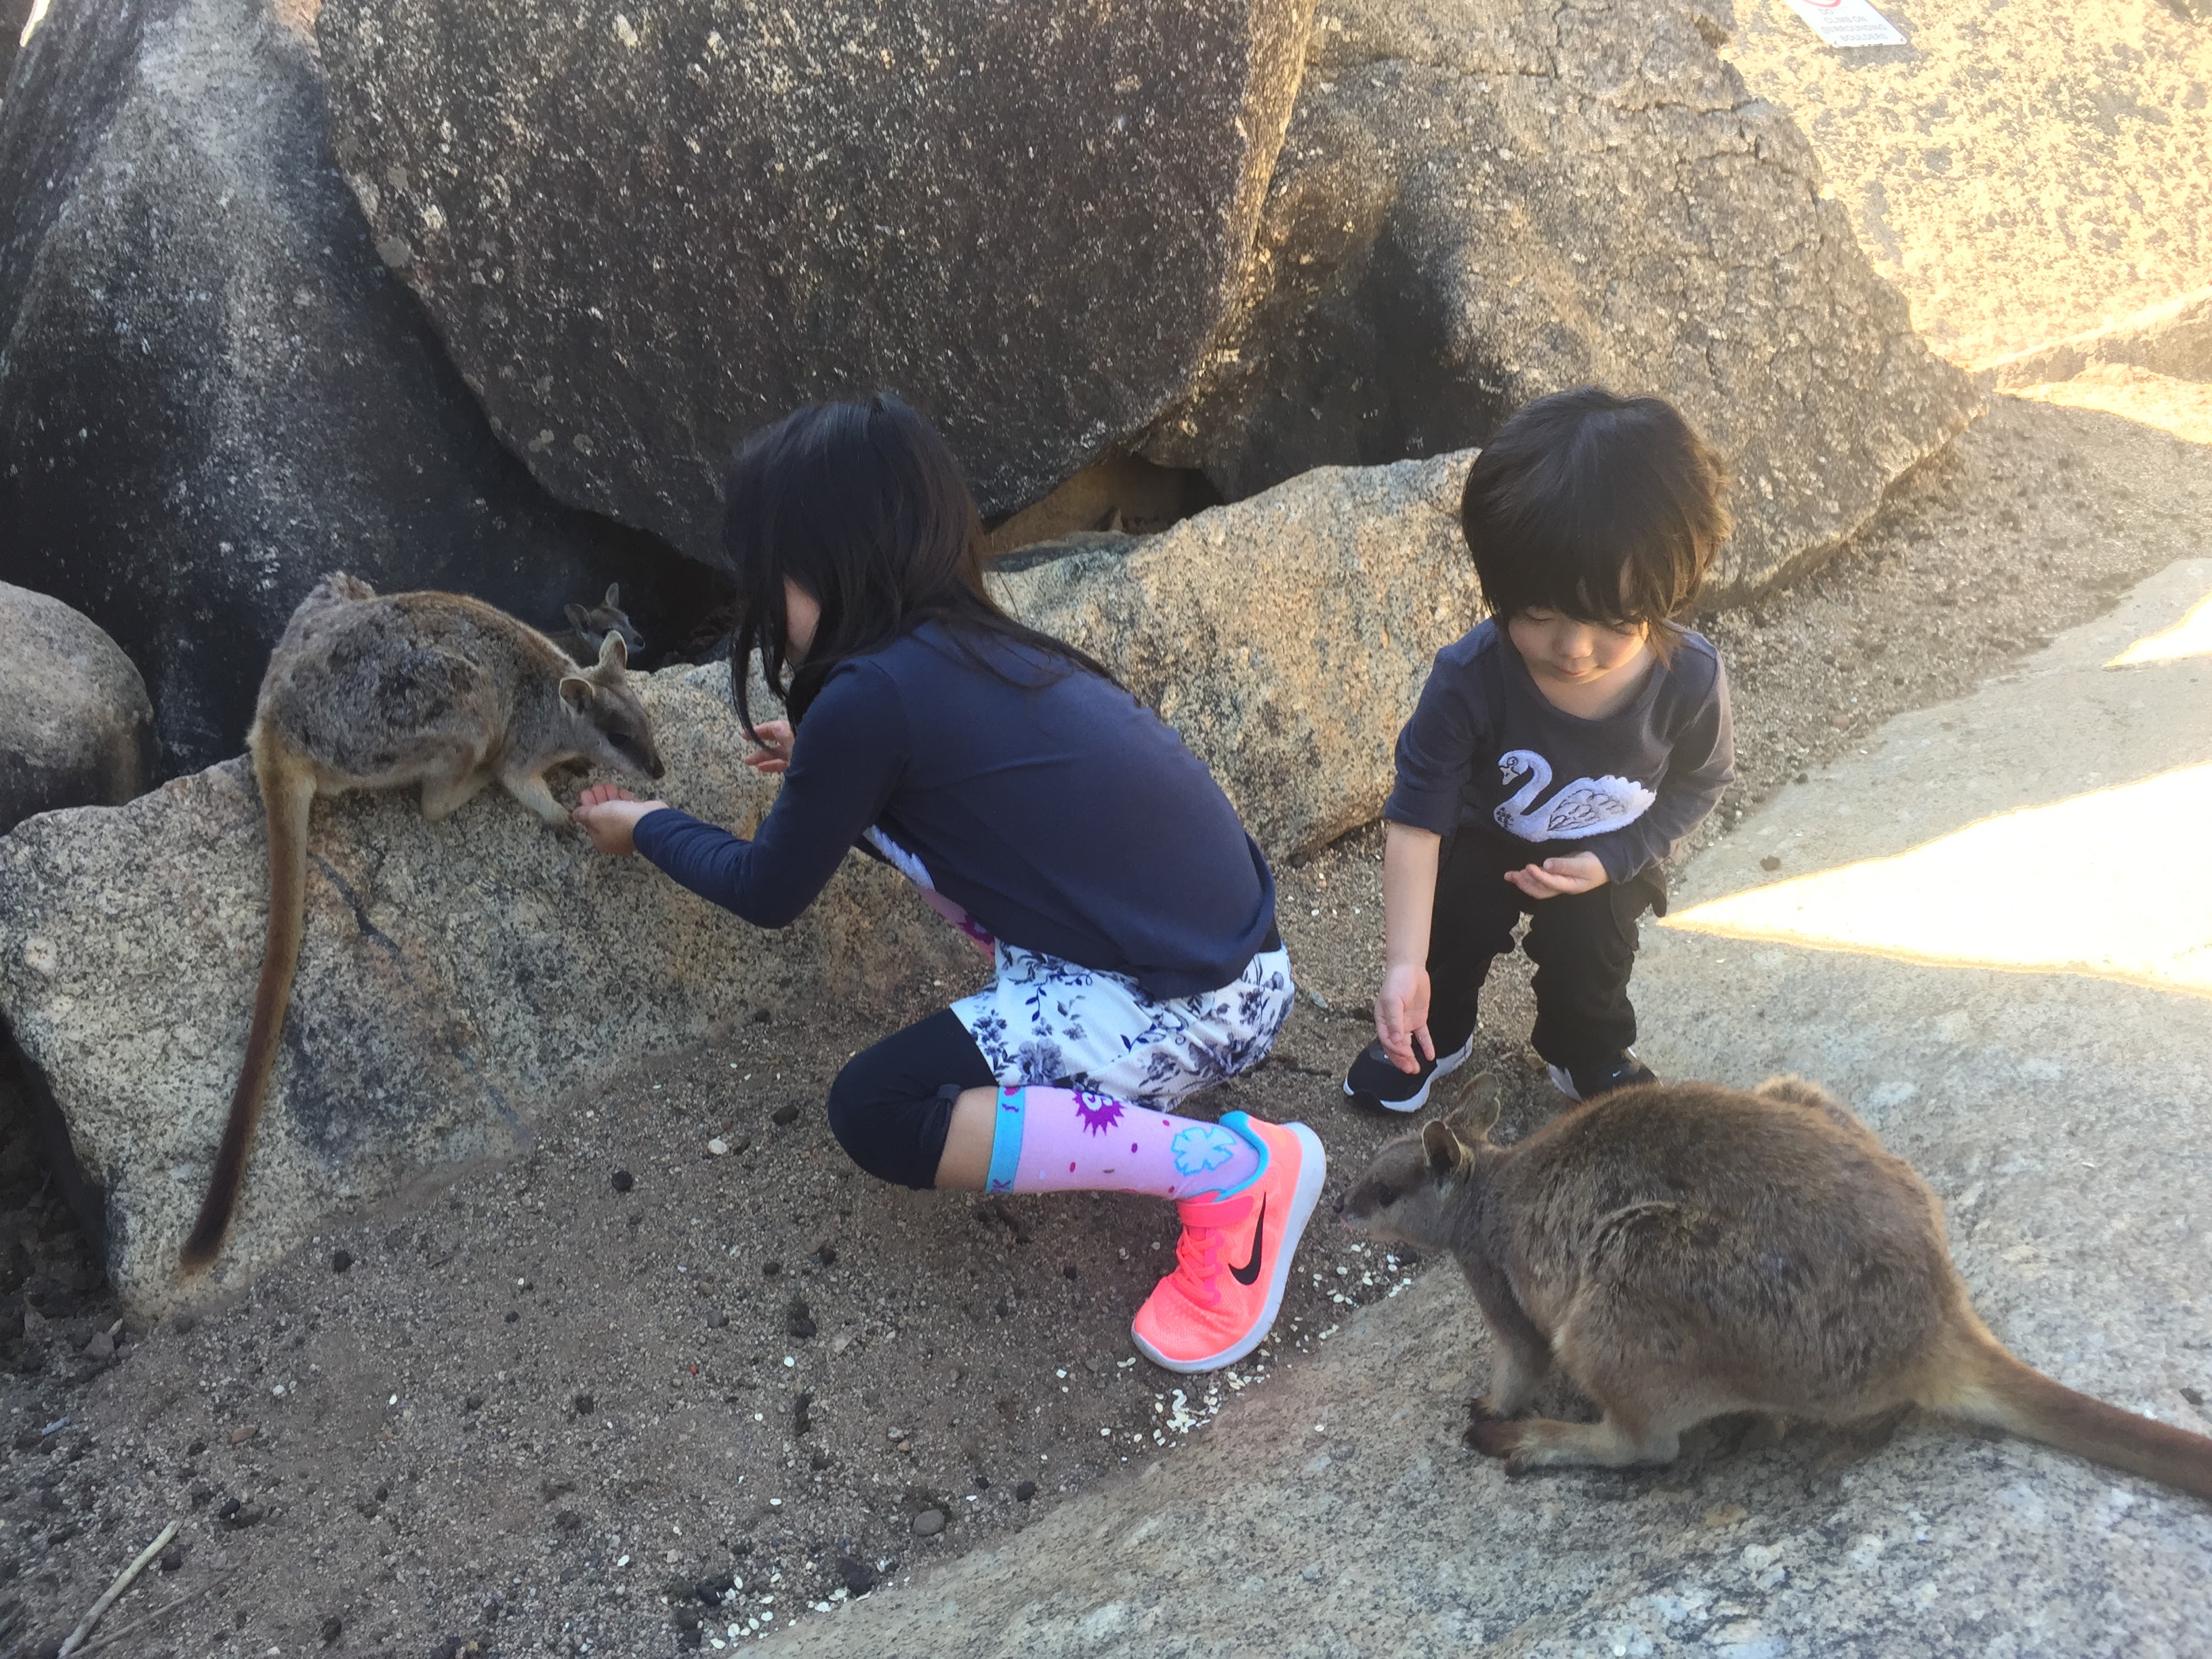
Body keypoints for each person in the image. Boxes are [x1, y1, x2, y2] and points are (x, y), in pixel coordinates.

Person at [573, 394, 1323, 1374]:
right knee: (953, 1019)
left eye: (768, 574)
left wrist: (645, 824)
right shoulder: (972, 648)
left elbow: (766, 890)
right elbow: (965, 809)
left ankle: (1236, 1176)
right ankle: (1148, 1101)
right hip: (1242, 973)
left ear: (821, 567)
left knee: (881, 1110)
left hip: (1189, 1006)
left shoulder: (870, 697)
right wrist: (835, 770)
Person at [1343, 386, 1736, 1113]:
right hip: (1483, 836)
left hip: (1605, 849)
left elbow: (1700, 782)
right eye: (1539, 613)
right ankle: (1434, 1031)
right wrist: (1403, 964)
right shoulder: (1469, 678)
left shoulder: (1690, 680)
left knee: (1597, 952)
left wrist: (1615, 858)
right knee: (1453, 923)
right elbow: (1417, 821)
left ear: (1666, 590)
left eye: (1613, 621)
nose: (1573, 648)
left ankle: (1586, 1051)